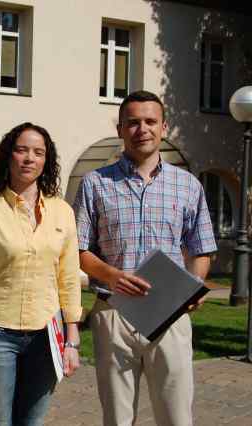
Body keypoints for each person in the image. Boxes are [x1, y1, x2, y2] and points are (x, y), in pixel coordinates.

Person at [73, 90, 217, 426]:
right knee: (117, 419)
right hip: (114, 312)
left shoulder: (188, 185)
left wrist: (194, 285)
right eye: (133, 122)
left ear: (164, 127)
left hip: (170, 313)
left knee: (176, 416)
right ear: (120, 129)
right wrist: (113, 276)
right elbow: (78, 251)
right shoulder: (95, 183)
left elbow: (202, 248)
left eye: (150, 121)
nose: (142, 129)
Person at [0, 122, 83, 426]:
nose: (29, 158)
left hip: (47, 336)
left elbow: (69, 279)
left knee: (32, 422)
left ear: (46, 160)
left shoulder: (62, 212)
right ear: (9, 156)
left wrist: (72, 340)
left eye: (38, 152)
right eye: (21, 150)